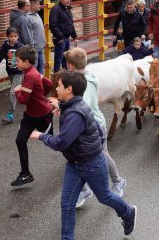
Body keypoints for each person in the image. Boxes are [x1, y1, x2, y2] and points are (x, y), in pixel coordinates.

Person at [30, 71, 137, 239]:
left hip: (91, 164)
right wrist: (60, 106)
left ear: (69, 89)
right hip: (75, 163)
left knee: (105, 197)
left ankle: (128, 212)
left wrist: (41, 136)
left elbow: (61, 143)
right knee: (67, 205)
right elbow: (95, 129)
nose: (56, 89)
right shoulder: (75, 106)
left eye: (58, 86)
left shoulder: (75, 113)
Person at [61, 48, 128, 206]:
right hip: (83, 123)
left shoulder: (85, 82)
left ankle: (118, 181)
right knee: (80, 157)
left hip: (93, 124)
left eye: (66, 64)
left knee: (101, 155)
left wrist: (64, 107)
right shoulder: (82, 77)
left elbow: (85, 105)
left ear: (70, 65)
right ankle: (84, 190)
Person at [10, 45, 54, 187]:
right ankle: (25, 173)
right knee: (20, 140)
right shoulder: (32, 72)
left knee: (54, 143)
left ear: (27, 62)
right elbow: (48, 84)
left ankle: (76, 156)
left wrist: (17, 91)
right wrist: (41, 96)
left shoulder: (30, 75)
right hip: (30, 115)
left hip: (43, 115)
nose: (16, 63)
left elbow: (23, 100)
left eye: (18, 61)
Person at [0, 27, 23, 124]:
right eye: (11, 36)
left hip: (18, 72)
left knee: (12, 92)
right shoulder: (5, 46)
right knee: (17, 91)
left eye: (15, 36)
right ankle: (25, 99)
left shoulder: (20, 46)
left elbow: (27, 56)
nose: (14, 38)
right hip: (10, 71)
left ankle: (10, 114)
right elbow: (1, 55)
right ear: (7, 37)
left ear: (18, 36)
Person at [49, 0, 78, 72]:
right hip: (60, 39)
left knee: (66, 58)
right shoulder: (55, 9)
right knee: (58, 59)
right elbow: (52, 25)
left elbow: (70, 24)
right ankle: (56, 76)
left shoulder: (68, 9)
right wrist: (60, 37)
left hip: (67, 38)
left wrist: (74, 36)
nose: (68, 0)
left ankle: (65, 75)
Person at [27, 0, 46, 74]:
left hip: (41, 47)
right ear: (32, 6)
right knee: (34, 68)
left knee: (41, 66)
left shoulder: (37, 15)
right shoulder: (27, 17)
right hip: (34, 49)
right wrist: (32, 47)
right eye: (37, 4)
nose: (40, 6)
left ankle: (40, 84)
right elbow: (29, 34)